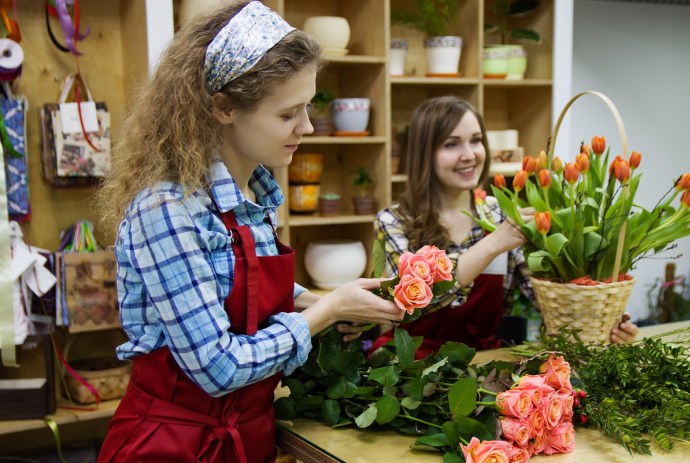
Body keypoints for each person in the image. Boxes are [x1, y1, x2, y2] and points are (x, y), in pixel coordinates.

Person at [95, 2, 403, 462]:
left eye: (308, 108)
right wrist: (324, 313)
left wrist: (325, 303)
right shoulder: (167, 212)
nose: (308, 127)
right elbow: (218, 367)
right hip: (174, 445)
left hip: (250, 436)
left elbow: (241, 283)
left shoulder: (254, 196)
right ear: (222, 107)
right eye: (287, 114)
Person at [370, 96, 638, 359]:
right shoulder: (394, 221)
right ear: (424, 153)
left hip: (486, 362)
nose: (469, 155)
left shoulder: (501, 213)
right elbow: (401, 306)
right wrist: (492, 244)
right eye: (451, 144)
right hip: (411, 364)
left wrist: (601, 318)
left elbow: (544, 297)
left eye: (476, 141)